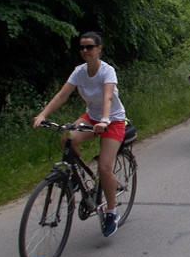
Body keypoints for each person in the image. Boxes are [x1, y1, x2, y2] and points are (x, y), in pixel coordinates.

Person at [33, 31, 125, 237]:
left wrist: (105, 120)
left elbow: (108, 97)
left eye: (90, 47)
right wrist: (43, 115)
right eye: (82, 47)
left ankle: (111, 212)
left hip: (113, 120)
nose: (85, 50)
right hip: (91, 117)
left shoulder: (107, 71)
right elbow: (62, 95)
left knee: (104, 167)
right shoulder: (79, 72)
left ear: (99, 49)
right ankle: (78, 175)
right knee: (67, 137)